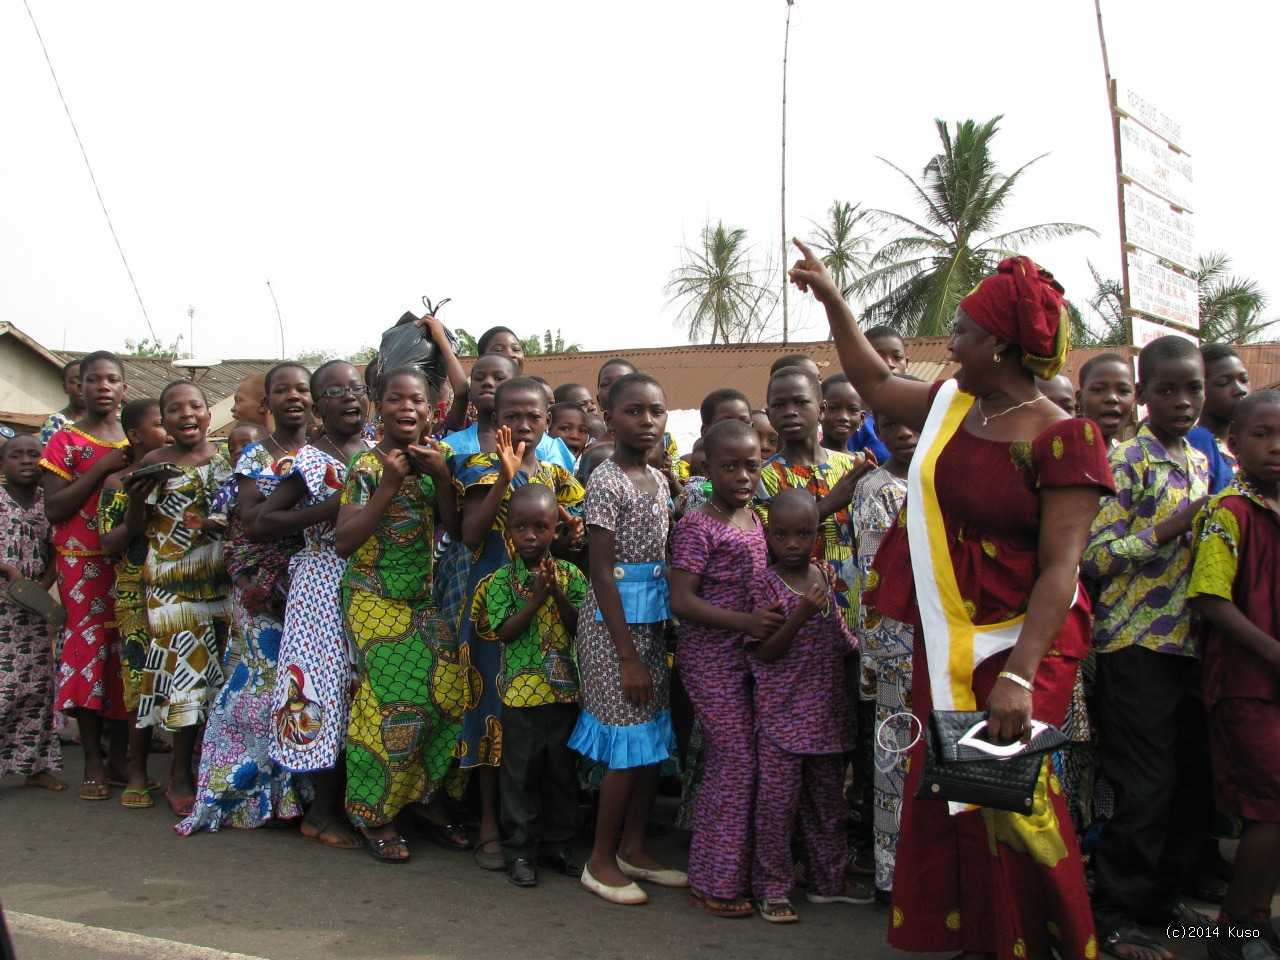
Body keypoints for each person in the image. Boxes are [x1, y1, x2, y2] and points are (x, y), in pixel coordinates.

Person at [791, 241, 1113, 960]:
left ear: (998, 344)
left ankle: (1050, 942)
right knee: (958, 796)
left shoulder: (1065, 438)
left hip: (1021, 644)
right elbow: (875, 383)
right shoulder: (951, 405)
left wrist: (1023, 678)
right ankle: (984, 940)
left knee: (1020, 803)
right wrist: (833, 298)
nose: (952, 343)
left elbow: (1061, 571)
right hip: (949, 641)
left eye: (963, 331)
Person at [1084, 335, 1214, 960]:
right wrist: (1169, 527)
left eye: (1194, 389)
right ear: (1144, 393)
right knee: (1145, 787)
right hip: (1134, 642)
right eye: (1167, 390)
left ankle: (1162, 897)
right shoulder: (1126, 460)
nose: (1183, 401)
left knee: (1192, 782)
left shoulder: (1198, 459)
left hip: (1187, 644)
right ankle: (1112, 912)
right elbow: (1095, 557)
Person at [334, 366, 465, 863]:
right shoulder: (367, 467)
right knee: (391, 700)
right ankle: (372, 813)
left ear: (431, 409)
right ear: (379, 407)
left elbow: (454, 528)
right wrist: (388, 485)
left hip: (420, 595)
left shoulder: (440, 458)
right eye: (395, 400)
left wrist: (442, 479)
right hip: (371, 595)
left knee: (450, 695)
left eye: (416, 401)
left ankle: (423, 798)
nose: (405, 408)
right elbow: (345, 542)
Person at [453, 377, 584, 871]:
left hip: (548, 608)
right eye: (513, 415)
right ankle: (492, 824)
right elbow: (469, 536)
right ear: (494, 418)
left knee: (543, 730)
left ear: (548, 420)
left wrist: (571, 533)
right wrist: (506, 478)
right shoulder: (481, 467)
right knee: (489, 711)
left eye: (534, 416)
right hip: (495, 607)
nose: (523, 424)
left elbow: (570, 543)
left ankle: (550, 836)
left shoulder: (558, 474)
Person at [176, 362, 314, 834]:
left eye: (302, 388)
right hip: (261, 588)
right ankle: (246, 792)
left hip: (317, 585)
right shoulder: (256, 456)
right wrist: (256, 580)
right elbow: (248, 524)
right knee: (264, 689)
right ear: (267, 403)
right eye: (282, 390)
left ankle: (300, 797)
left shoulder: (332, 447)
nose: (293, 396)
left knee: (304, 692)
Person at [570, 373, 686, 905]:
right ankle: (599, 859)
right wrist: (627, 656)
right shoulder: (607, 479)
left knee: (651, 739)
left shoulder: (659, 481)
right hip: (613, 630)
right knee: (625, 741)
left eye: (656, 411)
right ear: (609, 415)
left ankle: (634, 848)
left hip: (650, 623)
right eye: (634, 411)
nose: (647, 422)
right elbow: (601, 572)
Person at [670, 418, 784, 919]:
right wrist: (746, 622)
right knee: (735, 761)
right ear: (707, 468)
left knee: (744, 763)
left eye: (752, 466)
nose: (742, 476)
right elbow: (682, 601)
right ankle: (712, 880)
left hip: (750, 659)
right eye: (729, 466)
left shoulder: (755, 520)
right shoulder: (700, 524)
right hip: (710, 660)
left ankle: (738, 872)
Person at [256, 361, 373, 851]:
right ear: (318, 405)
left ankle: (355, 805)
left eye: (356, 389)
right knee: (328, 695)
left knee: (362, 693)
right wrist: (336, 506)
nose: (348, 397)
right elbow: (263, 521)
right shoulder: (307, 459)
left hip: (371, 583)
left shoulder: (374, 452)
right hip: (323, 584)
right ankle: (321, 813)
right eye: (334, 391)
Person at [1187, 389, 1280, 959]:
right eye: (1263, 435)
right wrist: (1273, 653)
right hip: (1249, 685)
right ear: (1234, 444)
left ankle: (1256, 921)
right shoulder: (1230, 513)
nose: (1276, 447)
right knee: (1268, 811)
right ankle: (1231, 929)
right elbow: (1209, 598)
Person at [749, 489, 868, 923]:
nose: (793, 544)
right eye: (782, 535)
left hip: (826, 716)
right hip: (783, 717)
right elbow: (763, 652)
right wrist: (798, 615)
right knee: (777, 809)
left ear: (817, 535)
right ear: (769, 536)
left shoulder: (820, 574)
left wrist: (866, 658)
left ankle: (827, 881)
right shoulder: (765, 582)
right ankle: (772, 888)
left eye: (803, 534)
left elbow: (840, 638)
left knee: (827, 805)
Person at [123, 380, 233, 817]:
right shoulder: (155, 463)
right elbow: (137, 527)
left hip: (220, 584)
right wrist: (134, 500)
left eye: (195, 406)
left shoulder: (227, 459)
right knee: (187, 673)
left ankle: (211, 767)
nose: (186, 414)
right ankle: (179, 774)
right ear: (164, 420)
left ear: (209, 414)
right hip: (170, 584)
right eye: (174, 409)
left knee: (218, 677)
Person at [471, 483, 588, 888]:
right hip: (520, 697)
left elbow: (578, 628)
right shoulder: (501, 581)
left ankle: (557, 844)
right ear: (509, 532)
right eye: (520, 527)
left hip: (562, 694)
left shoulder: (570, 575)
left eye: (541, 527)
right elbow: (504, 632)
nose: (531, 536)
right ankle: (520, 849)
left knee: (561, 773)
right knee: (519, 776)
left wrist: (555, 593)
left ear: (557, 530)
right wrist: (535, 600)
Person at [39, 350, 131, 801]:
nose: (102, 386)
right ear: (79, 387)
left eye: (111, 379)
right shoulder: (64, 442)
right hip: (81, 562)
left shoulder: (136, 437)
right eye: (92, 379)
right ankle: (92, 760)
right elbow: (53, 508)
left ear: (123, 388)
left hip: (128, 559)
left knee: (125, 652)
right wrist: (99, 470)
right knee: (89, 652)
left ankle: (118, 757)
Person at [849, 409, 918, 900]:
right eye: (895, 424)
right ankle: (894, 877)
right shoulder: (876, 490)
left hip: (944, 647)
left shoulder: (943, 479)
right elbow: (875, 579)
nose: (906, 432)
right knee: (894, 762)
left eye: (918, 422)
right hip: (896, 648)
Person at [756, 365, 874, 630]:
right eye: (779, 405)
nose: (790, 411)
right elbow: (768, 539)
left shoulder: (852, 466)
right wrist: (829, 505)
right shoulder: (764, 477)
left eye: (800, 402)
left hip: (856, 605)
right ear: (769, 415)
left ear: (821, 409)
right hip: (797, 611)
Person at [98, 398, 169, 808]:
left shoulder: (183, 477)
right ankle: (136, 770)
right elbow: (108, 545)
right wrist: (137, 506)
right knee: (139, 682)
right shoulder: (117, 483)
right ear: (135, 435)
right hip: (135, 591)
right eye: (159, 424)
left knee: (181, 680)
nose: (168, 430)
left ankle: (182, 772)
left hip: (179, 588)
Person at [0, 434, 64, 792]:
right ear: (2, 463)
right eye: (15, 455)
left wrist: (42, 582)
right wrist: (9, 573)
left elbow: (57, 547)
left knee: (38, 688)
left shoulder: (48, 503)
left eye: (33, 454)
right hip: (2, 611)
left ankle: (34, 766)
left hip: (34, 609)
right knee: (4, 689)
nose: (25, 460)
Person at [1189, 343, 1251, 495]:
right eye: (1224, 383)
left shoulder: (1244, 444)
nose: (1240, 390)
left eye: (1244, 379)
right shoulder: (1199, 441)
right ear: (1200, 390)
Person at [1077, 353, 1135, 448]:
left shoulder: (1128, 457)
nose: (1112, 398)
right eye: (1098, 390)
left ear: (1135, 398)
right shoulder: (1063, 453)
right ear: (1079, 398)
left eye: (1123, 390)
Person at [39, 360, 85, 446]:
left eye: (88, 380)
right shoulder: (55, 423)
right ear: (65, 388)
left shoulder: (104, 421)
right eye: (74, 381)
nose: (81, 386)